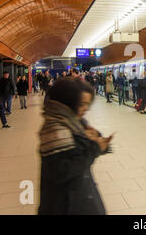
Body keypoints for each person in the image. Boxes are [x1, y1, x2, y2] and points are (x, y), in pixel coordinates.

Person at [38, 78, 113, 215]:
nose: (86, 109)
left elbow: (83, 147)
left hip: (78, 195)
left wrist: (98, 141)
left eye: (88, 104)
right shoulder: (55, 130)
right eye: (82, 104)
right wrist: (95, 147)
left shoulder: (75, 121)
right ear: (67, 102)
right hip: (65, 204)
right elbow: (62, 172)